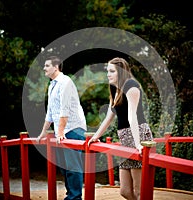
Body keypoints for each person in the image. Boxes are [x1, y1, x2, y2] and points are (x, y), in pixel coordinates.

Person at [88, 57, 153, 200]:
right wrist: (95, 136)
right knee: (124, 191)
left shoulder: (131, 85)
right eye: (107, 71)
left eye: (112, 71)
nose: (108, 74)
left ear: (121, 72)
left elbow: (132, 117)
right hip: (125, 139)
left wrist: (137, 144)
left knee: (139, 190)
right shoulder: (114, 88)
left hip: (138, 135)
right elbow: (109, 117)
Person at [37, 56, 86, 200]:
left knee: (72, 166)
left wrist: (59, 133)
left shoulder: (66, 82)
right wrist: (42, 133)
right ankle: (70, 195)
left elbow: (65, 110)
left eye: (47, 65)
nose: (44, 68)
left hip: (73, 129)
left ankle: (75, 197)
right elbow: (50, 113)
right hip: (63, 131)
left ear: (56, 66)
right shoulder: (52, 85)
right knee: (64, 167)